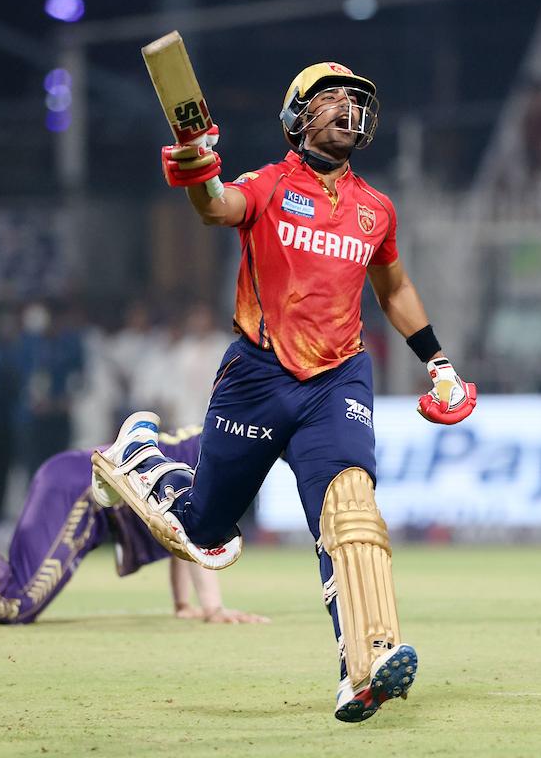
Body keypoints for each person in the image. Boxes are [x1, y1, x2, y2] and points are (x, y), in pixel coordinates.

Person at [92, 62, 477, 722]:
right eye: (331, 99)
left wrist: (437, 362)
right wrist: (194, 166)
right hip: (258, 377)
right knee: (209, 534)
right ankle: (145, 465)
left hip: (339, 378)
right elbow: (216, 205)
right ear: (297, 117)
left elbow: (396, 290)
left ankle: (365, 665)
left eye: (355, 100)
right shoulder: (269, 186)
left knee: (350, 507)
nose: (348, 110)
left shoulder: (375, 209)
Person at [0, 425, 266, 626]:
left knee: (14, 588)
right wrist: (212, 608)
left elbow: (184, 528)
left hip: (73, 477)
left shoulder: (222, 429)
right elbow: (197, 523)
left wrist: (184, 606)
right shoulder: (231, 447)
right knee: (14, 606)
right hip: (79, 492)